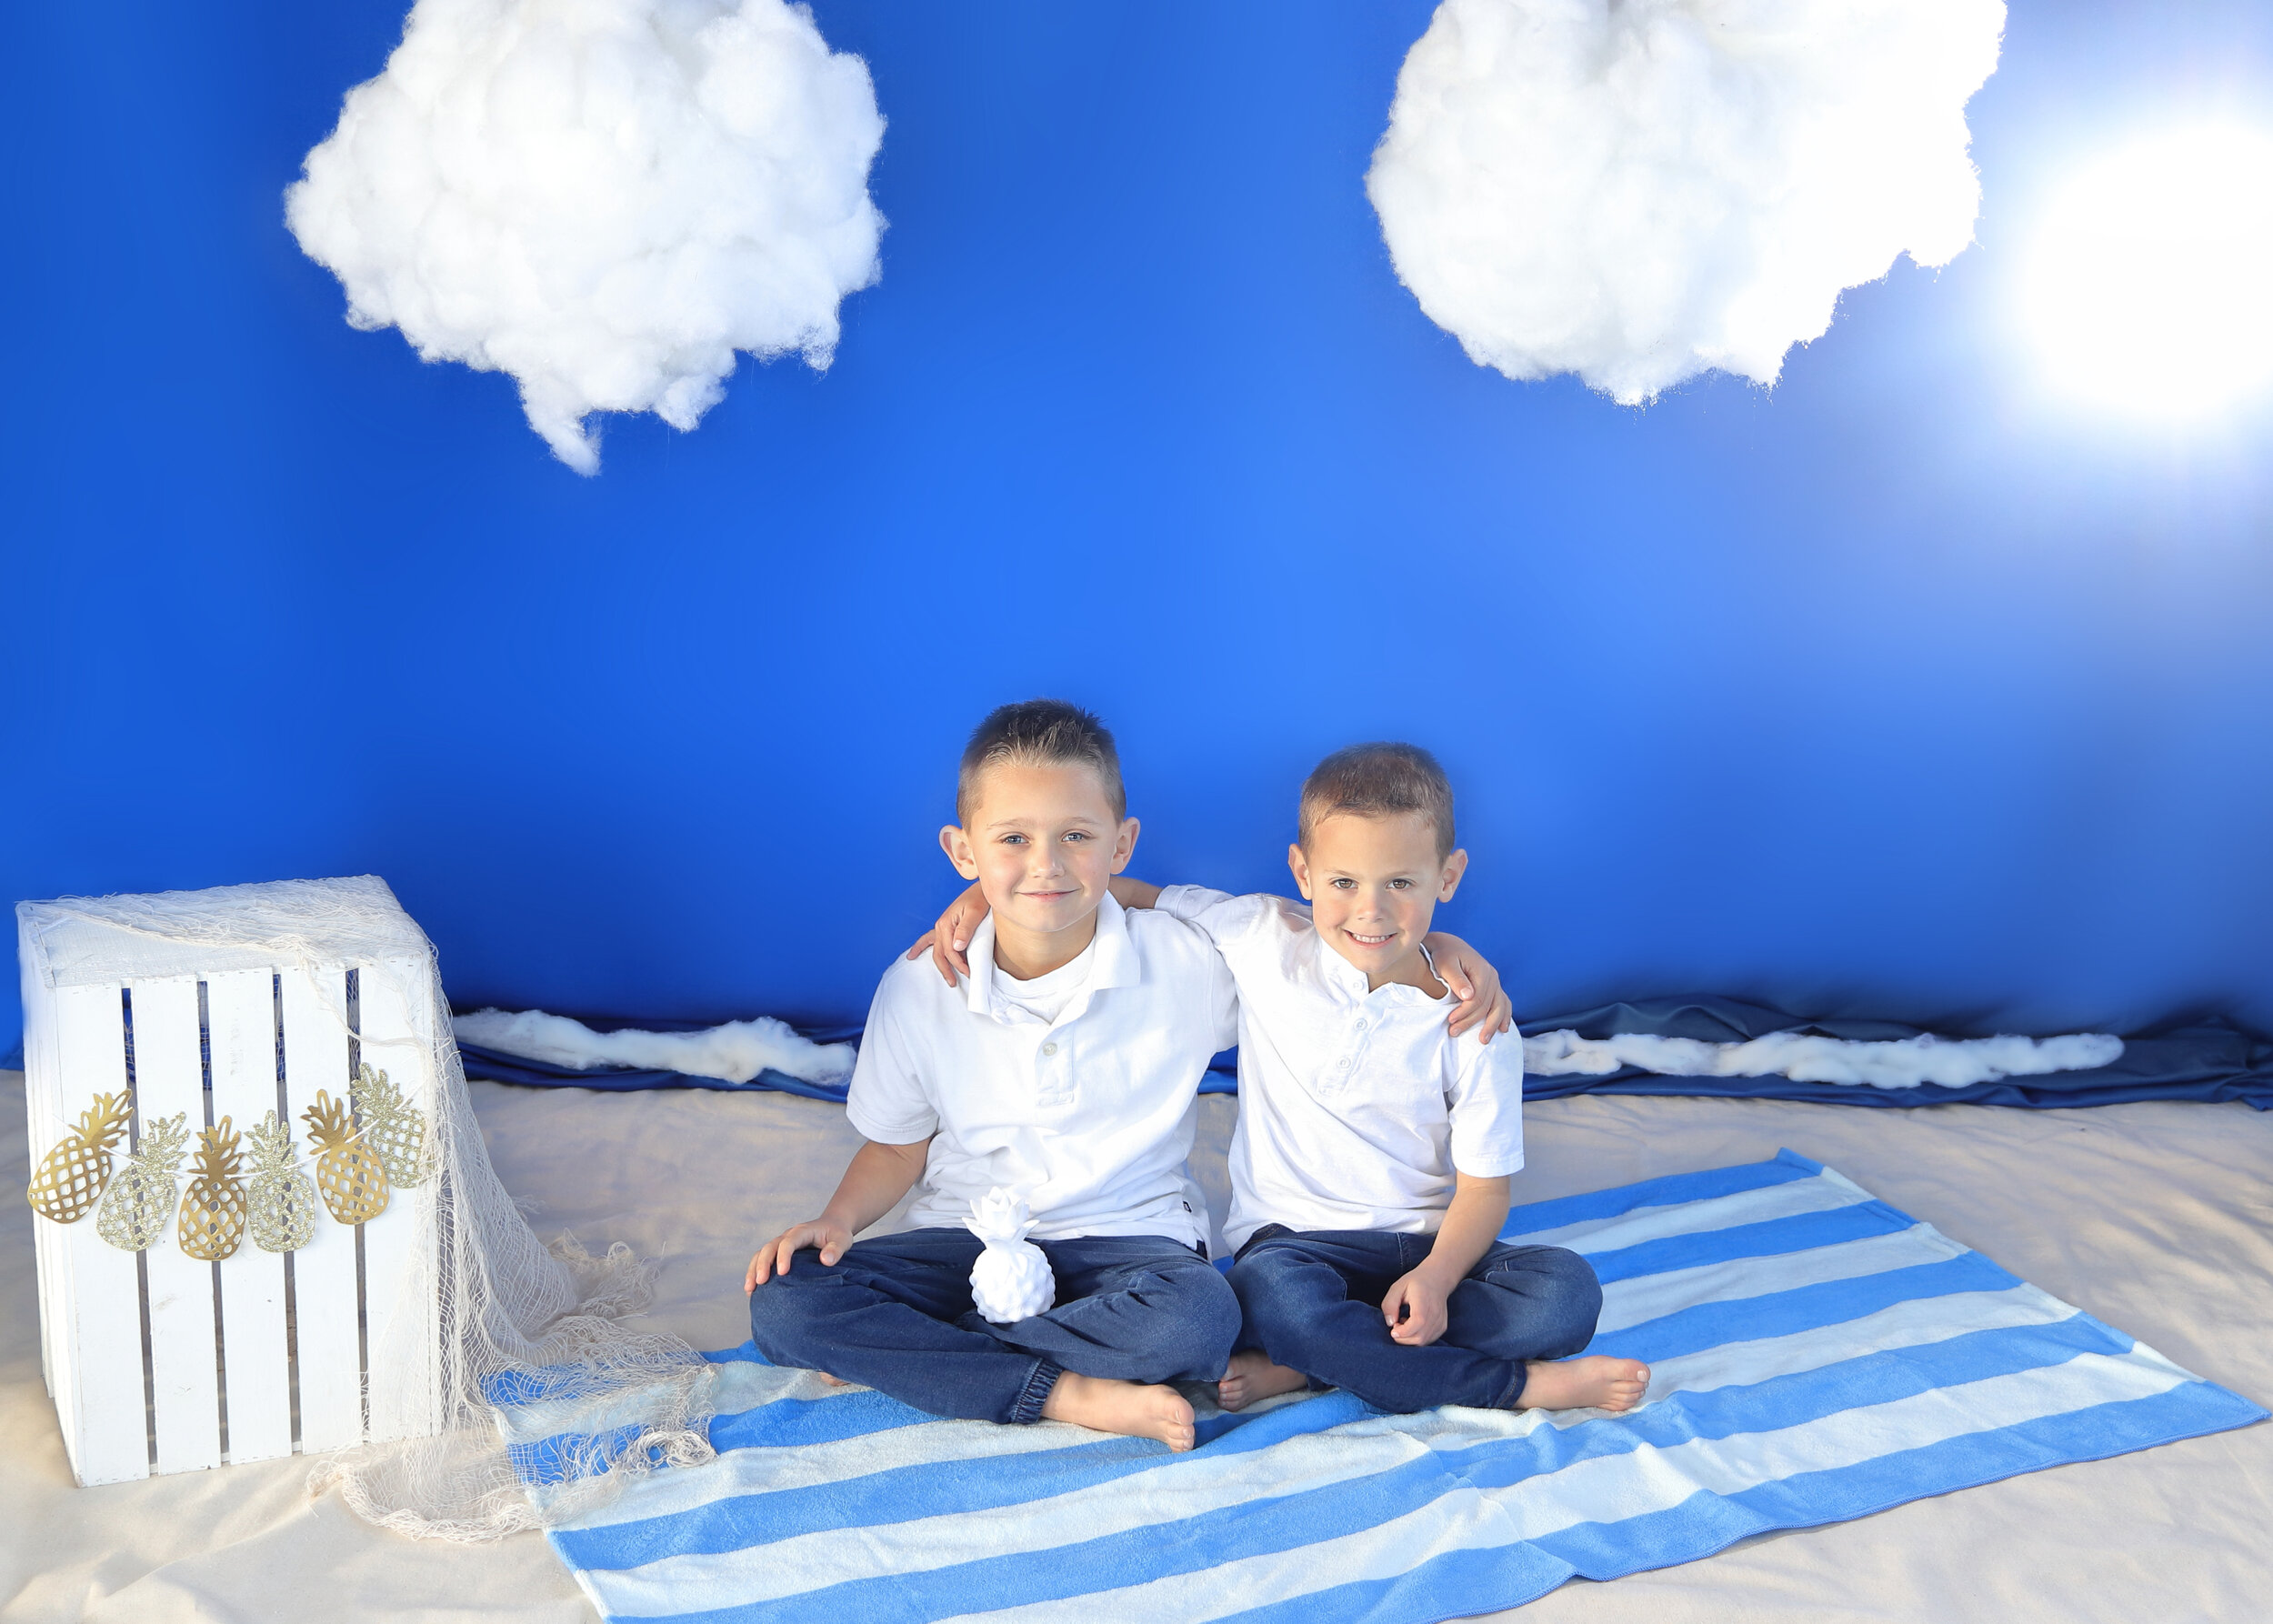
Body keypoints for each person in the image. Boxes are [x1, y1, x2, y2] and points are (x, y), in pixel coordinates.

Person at [918, 742, 1647, 1418]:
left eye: (1402, 883)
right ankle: (1512, 1388)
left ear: (1447, 878)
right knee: (1271, 1302)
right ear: (1303, 873)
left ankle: (1310, 1362)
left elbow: (1485, 1191)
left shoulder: (1475, 1022)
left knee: (1565, 1298)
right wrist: (984, 897)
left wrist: (1437, 1279)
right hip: (1294, 1248)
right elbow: (1119, 890)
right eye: (1343, 882)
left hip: (1428, 1246)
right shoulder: (1262, 936)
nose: (1371, 910)